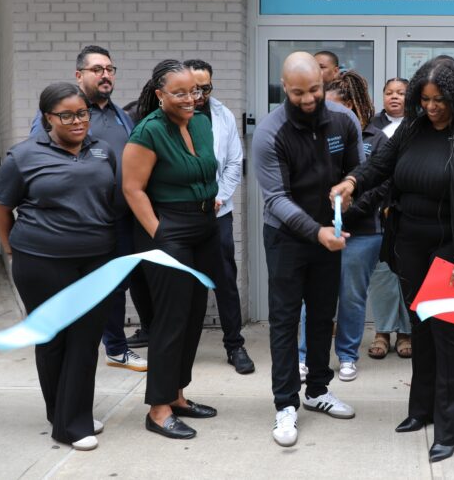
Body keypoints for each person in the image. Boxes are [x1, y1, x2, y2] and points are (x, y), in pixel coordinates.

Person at [331, 56, 454, 463]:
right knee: (421, 332)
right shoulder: (411, 128)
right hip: (410, 246)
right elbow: (378, 165)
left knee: (451, 340)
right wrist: (352, 182)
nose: (431, 107)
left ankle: (449, 428)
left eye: (439, 99)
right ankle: (421, 411)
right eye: (424, 99)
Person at [0, 82, 116, 450]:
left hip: (96, 260)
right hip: (42, 262)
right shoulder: (23, 155)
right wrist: (10, 247)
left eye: (82, 113)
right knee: (53, 340)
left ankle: (72, 412)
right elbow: (1, 207)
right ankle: (67, 421)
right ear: (48, 118)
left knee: (85, 339)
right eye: (67, 115)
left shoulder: (102, 151)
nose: (78, 121)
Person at [251, 52, 363, 448]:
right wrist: (316, 232)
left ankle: (317, 390)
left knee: (321, 314)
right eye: (298, 93)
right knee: (284, 320)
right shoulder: (270, 133)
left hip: (329, 234)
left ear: (324, 81)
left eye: (314, 89)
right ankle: (286, 404)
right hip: (286, 237)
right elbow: (276, 199)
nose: (308, 98)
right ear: (285, 88)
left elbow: (357, 167)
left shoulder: (343, 120)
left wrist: (349, 185)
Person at [28, 45, 149, 372]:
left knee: (115, 286)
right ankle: (78, 355)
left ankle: (115, 347)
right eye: (97, 69)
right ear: (79, 75)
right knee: (85, 290)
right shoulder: (64, 114)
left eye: (110, 69)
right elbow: (39, 161)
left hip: (121, 218)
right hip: (82, 223)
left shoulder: (121, 115)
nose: (106, 75)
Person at [122, 60, 222, 440]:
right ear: (160, 94)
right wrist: (159, 233)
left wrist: (207, 201)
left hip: (203, 227)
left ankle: (178, 395)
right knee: (170, 318)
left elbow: (204, 169)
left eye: (194, 91)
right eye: (179, 93)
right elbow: (132, 188)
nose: (189, 99)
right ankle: (158, 409)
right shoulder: (148, 131)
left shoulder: (201, 122)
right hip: (168, 229)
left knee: (194, 313)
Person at [297, 71, 387, 382]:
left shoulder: (378, 138)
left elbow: (381, 187)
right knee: (314, 295)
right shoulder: (318, 133)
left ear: (350, 105)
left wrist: (345, 213)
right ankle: (306, 355)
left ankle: (347, 355)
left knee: (351, 297)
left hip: (363, 231)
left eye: (332, 106)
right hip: (321, 230)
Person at [184, 59, 255, 375]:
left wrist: (219, 197)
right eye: (194, 88)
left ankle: (234, 345)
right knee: (183, 281)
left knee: (225, 279)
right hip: (181, 215)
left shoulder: (222, 115)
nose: (199, 95)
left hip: (217, 213)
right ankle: (182, 345)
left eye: (206, 88)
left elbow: (234, 163)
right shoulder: (171, 116)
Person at [367, 77, 412, 360]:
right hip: (376, 210)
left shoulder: (419, 126)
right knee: (382, 273)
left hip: (409, 208)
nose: (394, 97)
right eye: (389, 92)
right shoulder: (371, 127)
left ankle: (407, 332)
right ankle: (382, 331)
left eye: (401, 93)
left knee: (408, 270)